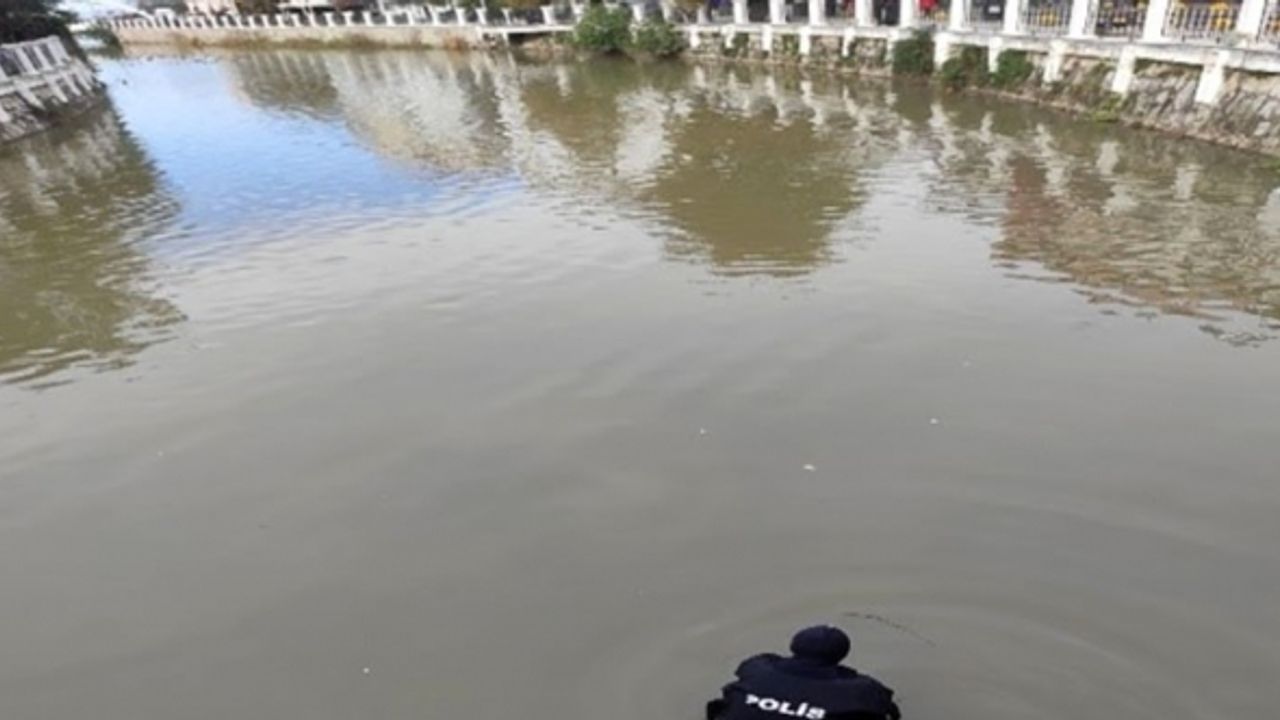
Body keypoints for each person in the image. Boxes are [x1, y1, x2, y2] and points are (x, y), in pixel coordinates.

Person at [706, 625, 901, 720]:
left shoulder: (758, 668)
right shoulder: (862, 690)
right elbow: (889, 711)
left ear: (794, 645)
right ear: (841, 655)